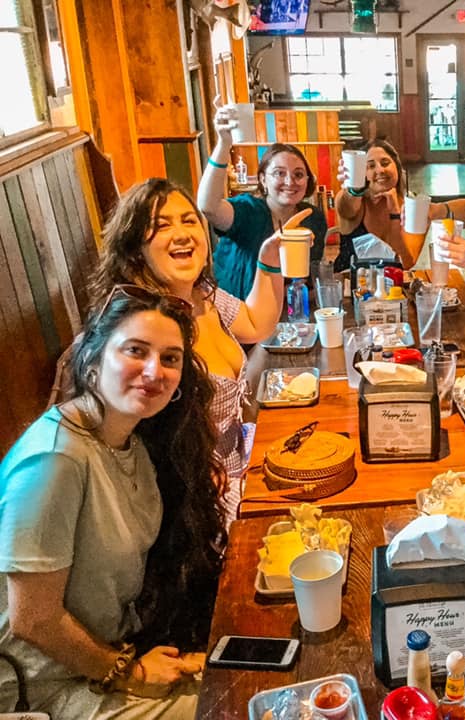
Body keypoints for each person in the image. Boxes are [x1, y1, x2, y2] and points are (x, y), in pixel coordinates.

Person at [0, 287, 225, 719]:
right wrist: (129, 673)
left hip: (110, 656)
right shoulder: (54, 459)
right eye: (135, 351)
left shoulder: (130, 443)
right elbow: (31, 619)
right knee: (233, 705)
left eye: (170, 358)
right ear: (93, 359)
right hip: (43, 688)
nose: (154, 371)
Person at [90, 178, 284, 516]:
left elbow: (256, 323)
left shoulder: (202, 295)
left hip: (240, 473)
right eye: (161, 225)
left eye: (189, 220)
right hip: (199, 506)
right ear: (135, 247)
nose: (181, 233)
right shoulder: (141, 330)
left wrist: (269, 259)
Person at [198, 103, 327, 299]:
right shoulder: (247, 210)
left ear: (308, 181)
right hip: (233, 315)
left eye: (298, 174)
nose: (290, 181)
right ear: (263, 180)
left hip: (281, 317)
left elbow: (305, 282)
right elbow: (209, 206)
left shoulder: (313, 218)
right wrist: (224, 144)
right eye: (279, 173)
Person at [333, 139, 465, 271]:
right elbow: (346, 207)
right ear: (363, 173)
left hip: (393, 290)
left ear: (397, 167)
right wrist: (354, 189)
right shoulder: (355, 203)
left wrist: (428, 211)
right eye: (370, 166)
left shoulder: (411, 208)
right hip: (347, 288)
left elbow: (405, 262)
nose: (380, 170)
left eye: (385, 163)